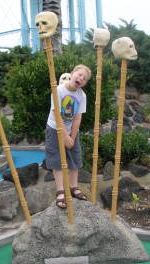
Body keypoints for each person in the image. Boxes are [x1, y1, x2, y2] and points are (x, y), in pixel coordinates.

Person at [45, 64, 91, 208]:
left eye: (84, 79)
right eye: (79, 74)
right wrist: (65, 137)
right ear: (72, 73)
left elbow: (77, 117)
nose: (81, 78)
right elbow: (57, 115)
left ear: (84, 83)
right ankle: (60, 191)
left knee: (75, 157)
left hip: (71, 131)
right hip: (55, 129)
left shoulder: (82, 95)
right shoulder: (58, 90)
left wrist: (72, 136)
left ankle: (73, 187)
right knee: (56, 158)